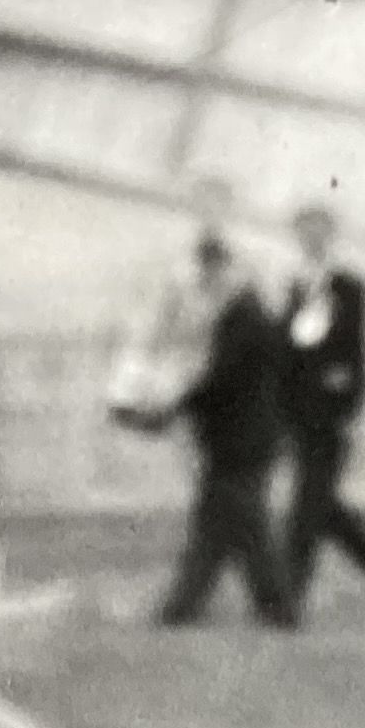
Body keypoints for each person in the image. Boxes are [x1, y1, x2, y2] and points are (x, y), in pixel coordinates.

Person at [150, 233, 298, 630]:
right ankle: (183, 608)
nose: (207, 279)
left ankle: (276, 607)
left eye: (214, 270)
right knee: (215, 529)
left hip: (243, 444)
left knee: (243, 529)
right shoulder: (241, 317)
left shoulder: (245, 320)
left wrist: (174, 407)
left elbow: (222, 382)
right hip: (238, 443)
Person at [277, 205, 365, 605]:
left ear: (329, 236)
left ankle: (290, 586)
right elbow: (285, 353)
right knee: (319, 501)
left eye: (317, 231)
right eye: (303, 232)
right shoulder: (292, 289)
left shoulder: (349, 288)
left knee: (308, 500)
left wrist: (352, 408)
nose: (310, 239)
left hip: (332, 410)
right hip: (298, 411)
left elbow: (357, 353)